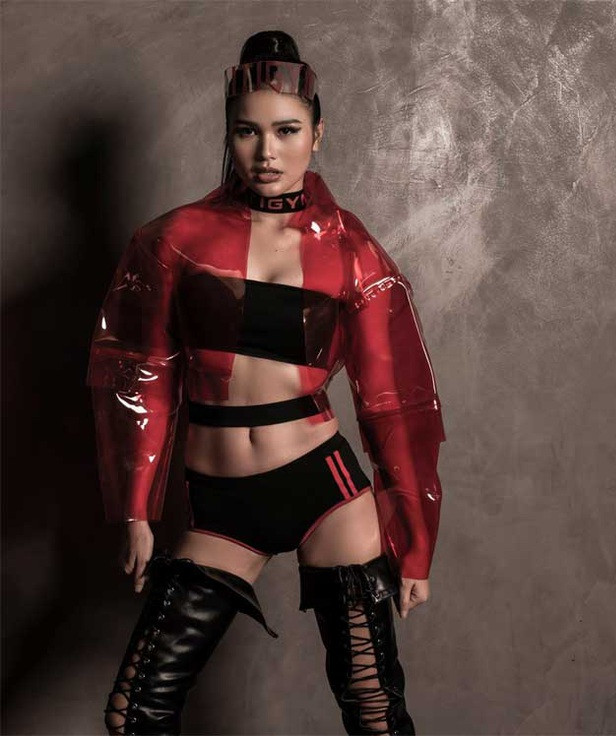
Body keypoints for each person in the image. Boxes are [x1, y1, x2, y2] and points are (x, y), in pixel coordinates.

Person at [86, 29, 446, 736]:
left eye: (287, 130)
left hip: (324, 488)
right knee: (134, 714)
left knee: (374, 712)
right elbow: (141, 374)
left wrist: (415, 541)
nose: (266, 152)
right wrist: (135, 509)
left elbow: (394, 403)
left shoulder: (351, 251)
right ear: (229, 135)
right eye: (247, 131)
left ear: (317, 135)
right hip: (220, 504)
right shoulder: (173, 240)